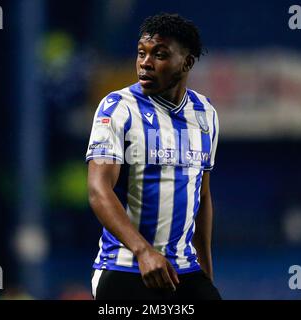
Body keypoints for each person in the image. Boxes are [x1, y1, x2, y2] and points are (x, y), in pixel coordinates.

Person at [86, 13, 221, 300]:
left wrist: (206, 271)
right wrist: (143, 251)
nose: (145, 63)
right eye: (141, 53)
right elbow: (98, 190)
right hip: (125, 268)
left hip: (183, 271)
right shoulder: (117, 108)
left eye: (159, 54)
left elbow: (203, 195)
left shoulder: (205, 113)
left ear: (186, 62)